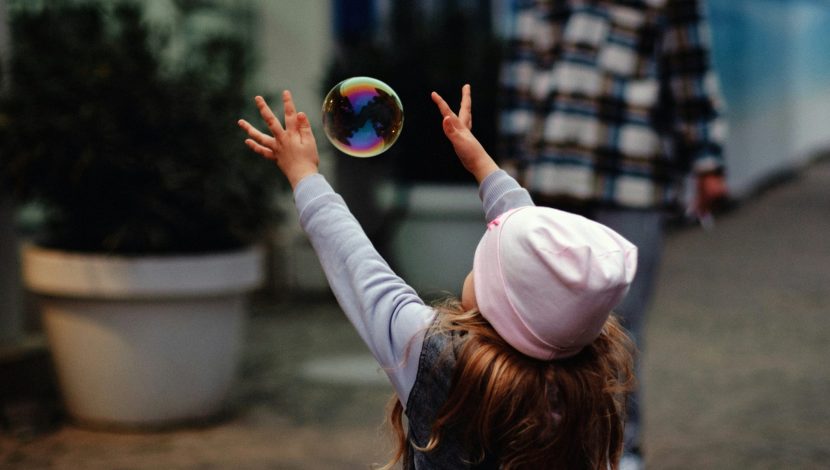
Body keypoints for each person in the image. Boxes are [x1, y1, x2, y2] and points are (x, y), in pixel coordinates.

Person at [238, 84, 638, 469]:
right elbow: (549, 276)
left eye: (483, 263)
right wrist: (482, 165)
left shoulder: (438, 358)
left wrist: (304, 175)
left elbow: (359, 266)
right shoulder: (587, 365)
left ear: (499, 300)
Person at [498, 2, 729, 467]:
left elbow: (689, 69)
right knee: (540, 326)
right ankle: (550, 447)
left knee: (619, 327)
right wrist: (509, 173)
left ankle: (622, 451)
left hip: (632, 175)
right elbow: (520, 77)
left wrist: (707, 160)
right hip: (551, 177)